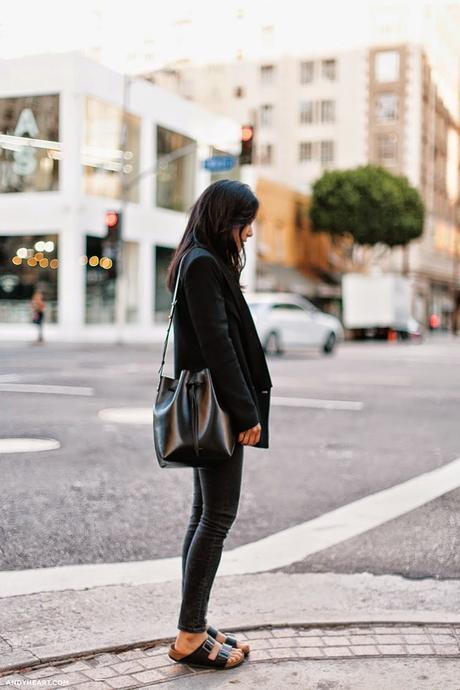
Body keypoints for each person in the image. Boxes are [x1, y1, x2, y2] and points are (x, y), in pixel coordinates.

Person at [166, 179, 272, 671]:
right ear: (224, 220)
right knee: (217, 517)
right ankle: (190, 634)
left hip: (211, 402)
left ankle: (195, 623)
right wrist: (245, 412)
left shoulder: (196, 259)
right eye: (244, 222)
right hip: (220, 408)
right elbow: (217, 344)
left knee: (203, 514)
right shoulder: (204, 264)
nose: (249, 233)